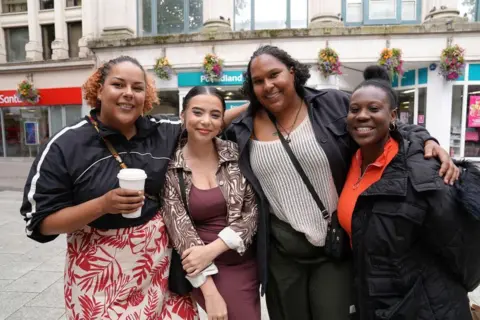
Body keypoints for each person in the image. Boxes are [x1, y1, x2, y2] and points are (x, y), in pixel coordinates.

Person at [223, 45, 459, 320]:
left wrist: (427, 140)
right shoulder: (241, 127)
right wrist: (234, 110)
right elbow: (199, 128)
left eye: (274, 74)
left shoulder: (330, 104)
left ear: (291, 72)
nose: (268, 85)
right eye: (258, 81)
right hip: (282, 255)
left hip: (333, 250)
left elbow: (381, 119)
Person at [19, 56, 245, 319]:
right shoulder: (65, 146)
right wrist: (103, 205)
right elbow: (40, 222)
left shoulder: (163, 132)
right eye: (118, 85)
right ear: (99, 89)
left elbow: (209, 122)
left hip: (162, 275)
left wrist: (260, 103)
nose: (128, 94)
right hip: (100, 281)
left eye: (137, 88)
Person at [338, 65, 480, 319]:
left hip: (425, 308)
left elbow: (465, 253)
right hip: (373, 302)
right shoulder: (350, 158)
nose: (362, 116)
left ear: (393, 116)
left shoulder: (425, 174)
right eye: (355, 109)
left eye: (373, 109)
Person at [162, 86, 260, 320]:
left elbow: (251, 213)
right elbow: (181, 232)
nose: (206, 121)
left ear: (222, 122)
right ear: (182, 116)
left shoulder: (235, 153)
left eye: (215, 115)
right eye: (197, 112)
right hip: (203, 268)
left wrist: (213, 249)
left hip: (242, 258)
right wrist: (210, 292)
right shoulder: (169, 166)